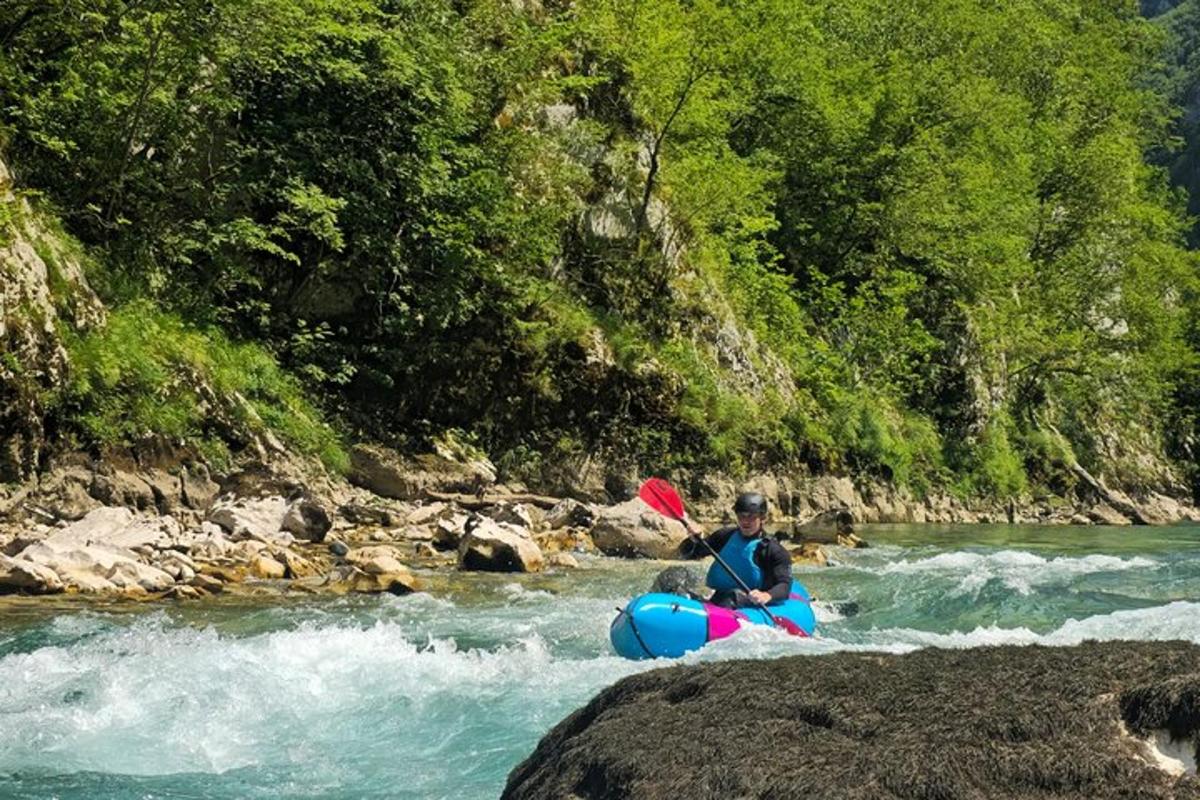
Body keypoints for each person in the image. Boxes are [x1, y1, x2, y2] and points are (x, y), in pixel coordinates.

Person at [679, 492, 792, 609]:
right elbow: (687, 554)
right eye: (741, 516)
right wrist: (693, 540)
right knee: (673, 576)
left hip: (749, 603)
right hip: (719, 598)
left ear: (763, 518)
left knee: (733, 595)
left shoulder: (773, 550)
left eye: (751, 517)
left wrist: (766, 595)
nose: (745, 521)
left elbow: (784, 585)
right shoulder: (725, 536)